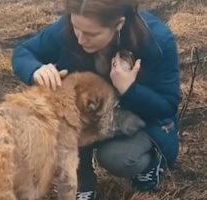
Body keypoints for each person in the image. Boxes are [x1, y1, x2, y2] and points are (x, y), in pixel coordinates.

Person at [12, 0, 181, 199]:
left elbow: (167, 107)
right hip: (92, 115)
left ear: (118, 24)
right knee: (57, 119)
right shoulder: (72, 26)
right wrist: (36, 70)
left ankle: (151, 164)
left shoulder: (156, 40)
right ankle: (82, 180)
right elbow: (23, 52)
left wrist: (129, 90)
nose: (81, 39)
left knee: (116, 157)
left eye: (91, 34)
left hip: (137, 120)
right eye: (76, 29)